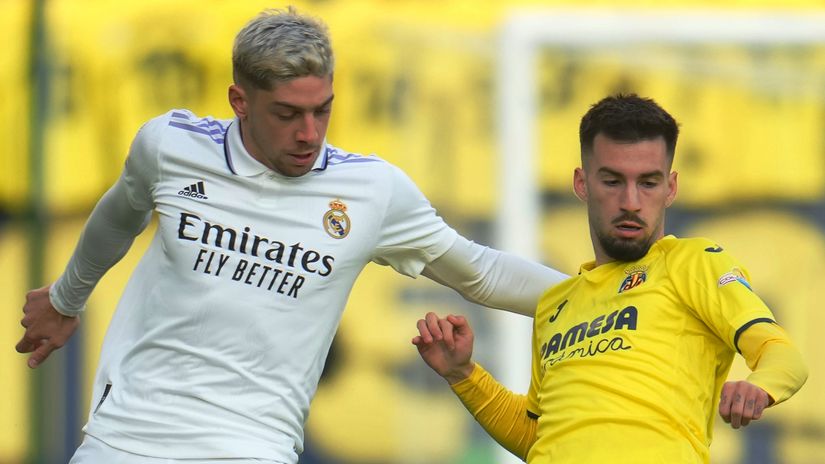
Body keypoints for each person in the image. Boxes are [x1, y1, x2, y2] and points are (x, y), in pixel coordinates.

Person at [15, 8, 567, 464]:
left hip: (253, 447)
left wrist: (608, 299)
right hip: (126, 440)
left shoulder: (371, 192)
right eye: (287, 114)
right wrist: (67, 298)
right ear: (240, 101)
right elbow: (118, 214)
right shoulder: (170, 148)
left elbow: (482, 272)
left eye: (321, 110)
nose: (309, 134)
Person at [413, 94, 809, 463]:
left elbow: (782, 353)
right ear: (582, 183)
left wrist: (760, 386)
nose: (631, 202)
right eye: (613, 181)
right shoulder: (556, 304)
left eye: (648, 182)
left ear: (670, 188)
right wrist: (462, 374)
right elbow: (537, 435)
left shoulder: (692, 262)